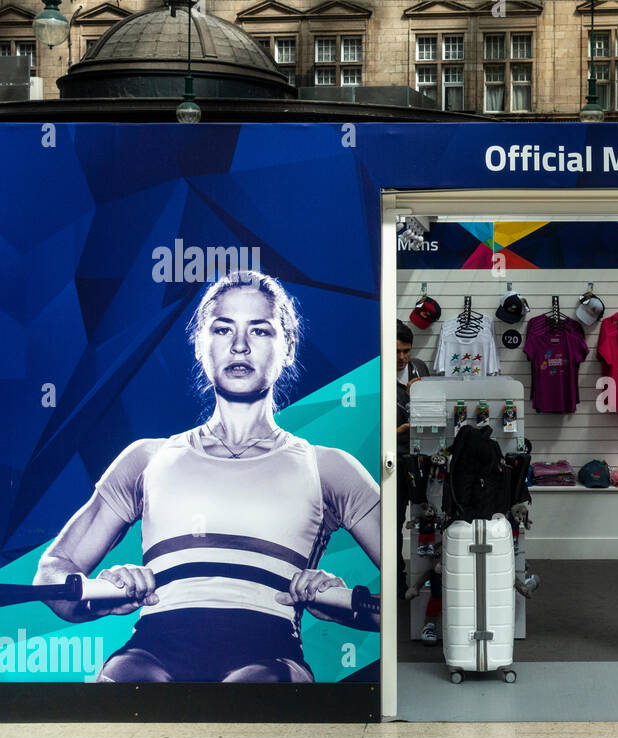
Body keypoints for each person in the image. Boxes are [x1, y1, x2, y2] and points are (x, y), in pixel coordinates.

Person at [34, 270, 381, 682]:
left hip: (271, 658)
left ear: (287, 348)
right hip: (151, 651)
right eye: (223, 329)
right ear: (200, 344)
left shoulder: (327, 468)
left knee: (253, 687)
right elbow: (52, 573)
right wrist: (97, 599)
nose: (239, 345)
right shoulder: (148, 458)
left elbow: (412, 592)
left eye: (260, 330)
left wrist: (350, 604)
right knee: (127, 680)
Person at [396, 320, 430, 598]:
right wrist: (399, 430)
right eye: (396, 351)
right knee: (391, 523)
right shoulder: (377, 376)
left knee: (426, 520)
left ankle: (428, 579)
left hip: (421, 456)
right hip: (392, 458)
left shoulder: (420, 368)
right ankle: (395, 581)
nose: (402, 357)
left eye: (406, 350)